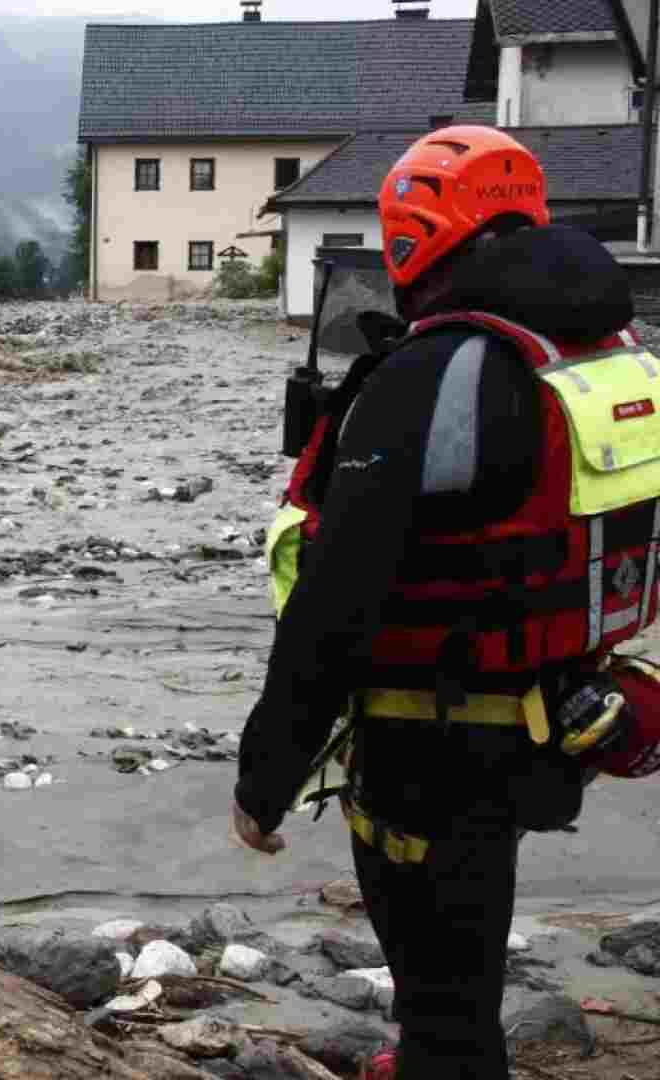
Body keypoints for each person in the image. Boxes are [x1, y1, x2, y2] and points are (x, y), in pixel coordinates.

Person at [233, 126, 660, 1079]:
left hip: (431, 728)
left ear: (409, 239)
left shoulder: (438, 373)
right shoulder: (596, 347)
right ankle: (441, 1049)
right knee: (461, 947)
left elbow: (337, 600)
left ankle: (444, 1059)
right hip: (553, 711)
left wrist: (267, 775)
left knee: (436, 972)